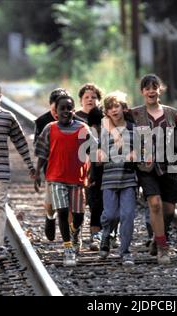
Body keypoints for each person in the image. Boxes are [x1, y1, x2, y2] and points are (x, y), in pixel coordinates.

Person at [131, 74, 177, 264]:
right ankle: (162, 247)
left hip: (170, 165)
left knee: (168, 210)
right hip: (146, 167)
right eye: (147, 88)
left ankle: (157, 237)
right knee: (155, 204)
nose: (151, 91)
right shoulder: (134, 114)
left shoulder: (171, 113)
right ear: (142, 92)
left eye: (154, 87)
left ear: (160, 89)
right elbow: (114, 119)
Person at [0, 82, 36, 260]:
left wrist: (30, 165)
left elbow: (20, 142)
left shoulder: (8, 117)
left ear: (0, 97)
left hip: (1, 169)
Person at [34, 95, 95, 266]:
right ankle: (67, 247)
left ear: (74, 111)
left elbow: (94, 150)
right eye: (62, 109)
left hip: (77, 179)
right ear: (56, 112)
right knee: (62, 211)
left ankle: (75, 232)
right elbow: (42, 153)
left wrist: (93, 173)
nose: (66, 112)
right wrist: (38, 172)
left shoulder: (83, 128)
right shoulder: (50, 128)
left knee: (78, 216)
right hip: (56, 178)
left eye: (69, 108)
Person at [98, 91, 138, 266]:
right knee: (111, 215)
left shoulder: (132, 128)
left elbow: (141, 149)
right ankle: (106, 235)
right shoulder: (104, 130)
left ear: (123, 108)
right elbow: (97, 150)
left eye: (117, 106)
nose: (114, 110)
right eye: (110, 108)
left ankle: (125, 251)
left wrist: (135, 154)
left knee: (127, 215)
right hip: (109, 179)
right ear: (106, 112)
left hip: (128, 179)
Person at [34, 88, 70, 242]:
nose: (60, 112)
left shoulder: (75, 121)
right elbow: (38, 147)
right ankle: (50, 216)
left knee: (68, 205)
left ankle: (71, 237)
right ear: (51, 106)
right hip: (51, 169)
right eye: (56, 109)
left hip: (70, 169)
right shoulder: (42, 122)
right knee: (50, 203)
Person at [75, 83, 105, 251]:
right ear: (81, 100)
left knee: (96, 202)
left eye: (93, 97)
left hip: (98, 168)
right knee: (78, 202)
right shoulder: (75, 117)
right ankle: (76, 233)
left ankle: (95, 235)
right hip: (80, 165)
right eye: (86, 97)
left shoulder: (103, 117)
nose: (90, 100)